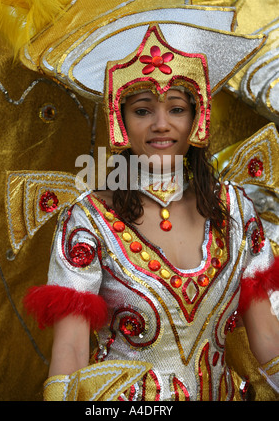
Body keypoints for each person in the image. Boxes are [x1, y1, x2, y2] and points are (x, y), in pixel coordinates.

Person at [24, 21, 279, 400]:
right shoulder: (88, 222)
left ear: (197, 118)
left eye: (176, 108)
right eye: (143, 110)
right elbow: (72, 350)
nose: (162, 125)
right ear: (120, 120)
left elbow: (266, 336)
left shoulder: (236, 210)